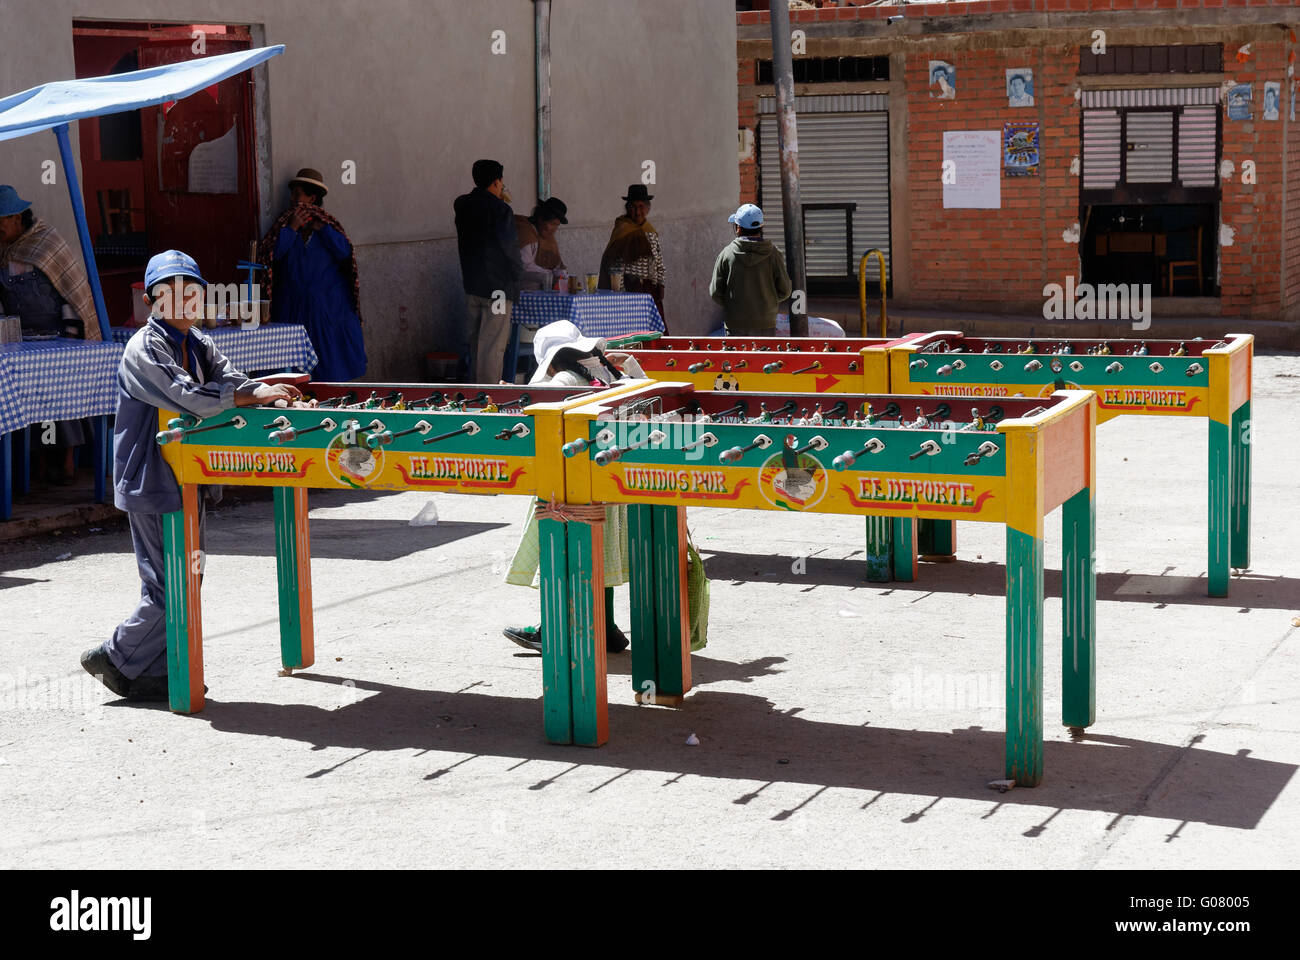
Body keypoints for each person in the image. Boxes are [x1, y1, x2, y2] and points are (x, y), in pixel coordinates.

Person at [80, 250, 301, 701]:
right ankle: (115, 656)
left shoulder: (198, 341)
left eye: (191, 292)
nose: (183, 302)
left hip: (187, 475)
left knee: (187, 579)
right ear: (151, 300)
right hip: (151, 478)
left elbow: (231, 378)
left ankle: (158, 672)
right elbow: (190, 396)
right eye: (171, 294)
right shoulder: (144, 347)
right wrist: (246, 397)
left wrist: (265, 391)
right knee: (170, 587)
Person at [502, 321, 638, 654]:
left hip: (567, 485)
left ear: (551, 360)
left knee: (561, 555)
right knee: (599, 557)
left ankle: (553, 628)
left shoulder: (563, 380)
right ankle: (606, 625)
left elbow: (535, 420)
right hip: (605, 484)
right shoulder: (606, 375)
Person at [0, 185, 102, 483]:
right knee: (26, 399)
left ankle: (68, 460)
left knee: (61, 397)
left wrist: (69, 340)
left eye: (1, 221)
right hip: (20, 341)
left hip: (59, 339)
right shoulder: (5, 251)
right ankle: (38, 463)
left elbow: (71, 295)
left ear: (18, 218)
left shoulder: (47, 244)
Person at [258, 168, 366, 382]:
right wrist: (292, 228)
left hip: (325, 308)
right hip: (294, 309)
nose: (292, 199)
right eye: (292, 194)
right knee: (294, 366)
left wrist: (322, 230)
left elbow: (344, 252)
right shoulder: (285, 226)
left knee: (328, 361)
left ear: (312, 198)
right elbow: (273, 254)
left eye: (297, 194)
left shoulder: (328, 227)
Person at [454, 159, 523, 383]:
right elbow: (509, 250)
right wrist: (517, 277)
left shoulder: (463, 205)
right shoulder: (501, 210)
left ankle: (475, 394)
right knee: (492, 347)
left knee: (475, 344)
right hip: (499, 289)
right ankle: (488, 396)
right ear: (496, 182)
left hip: (472, 284)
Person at [709, 203, 792, 338]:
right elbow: (785, 290)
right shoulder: (774, 254)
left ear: (738, 228)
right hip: (766, 323)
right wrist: (768, 301)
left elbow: (715, 292)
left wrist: (733, 306)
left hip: (734, 323)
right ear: (761, 227)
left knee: (737, 360)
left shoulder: (726, 254)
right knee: (764, 359)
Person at [598, 184, 667, 329]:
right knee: (634, 330)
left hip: (650, 291)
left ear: (648, 208)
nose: (637, 211)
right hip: (631, 290)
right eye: (634, 207)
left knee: (655, 331)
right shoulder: (623, 231)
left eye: (641, 206)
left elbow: (658, 260)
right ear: (628, 208)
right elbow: (616, 267)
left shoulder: (650, 231)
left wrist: (661, 283)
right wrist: (621, 296)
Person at [516, 197, 569, 291]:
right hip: (523, 292)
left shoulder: (548, 238)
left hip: (542, 291)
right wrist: (549, 276)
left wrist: (563, 276)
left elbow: (557, 265)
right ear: (541, 219)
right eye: (552, 224)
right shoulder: (524, 232)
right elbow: (524, 268)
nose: (554, 229)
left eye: (557, 225)